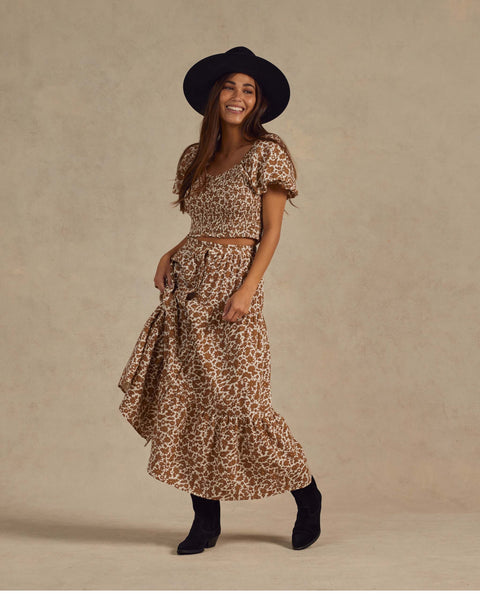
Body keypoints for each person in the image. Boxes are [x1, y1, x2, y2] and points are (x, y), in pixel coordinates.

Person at [117, 46, 322, 554]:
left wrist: (247, 288)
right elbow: (202, 225)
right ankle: (205, 523)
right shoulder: (195, 156)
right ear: (215, 96)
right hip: (187, 286)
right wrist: (171, 252)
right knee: (190, 399)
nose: (238, 96)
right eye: (230, 86)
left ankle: (307, 494)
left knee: (244, 403)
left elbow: (269, 231)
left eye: (248, 90)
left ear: (259, 103)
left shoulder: (268, 153)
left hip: (233, 286)